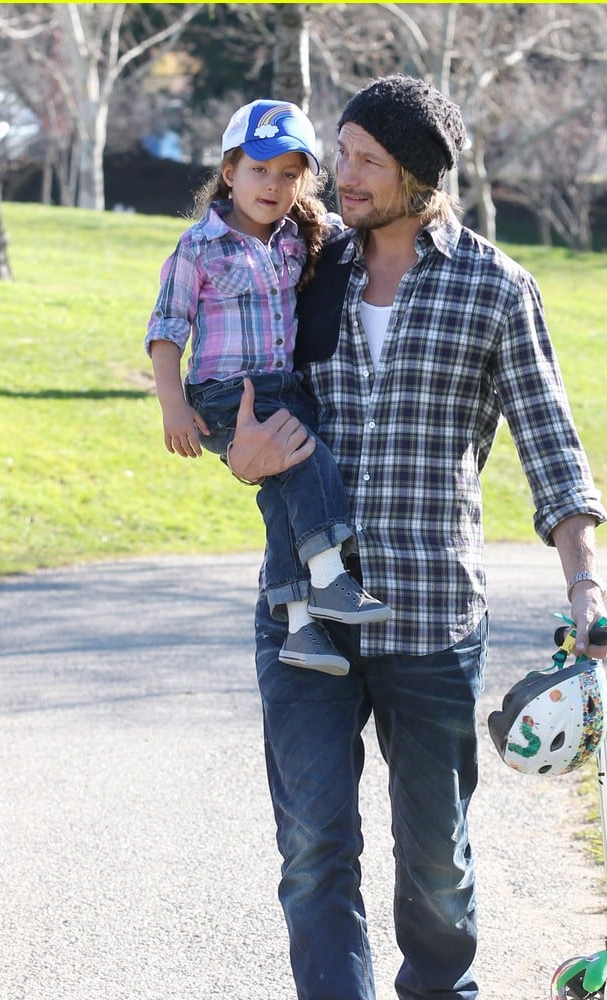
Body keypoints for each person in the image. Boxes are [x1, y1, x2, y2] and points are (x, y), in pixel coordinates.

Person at [227, 75, 607, 1000]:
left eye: (357, 158)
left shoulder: (494, 286)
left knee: (434, 851)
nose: (334, 174)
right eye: (335, 154)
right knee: (314, 849)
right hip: (302, 608)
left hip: (431, 614)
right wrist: (237, 449)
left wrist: (584, 584)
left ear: (414, 172)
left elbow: (552, 440)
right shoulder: (303, 267)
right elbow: (233, 378)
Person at [145, 99, 390, 678]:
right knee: (308, 459)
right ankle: (330, 577)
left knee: (282, 494)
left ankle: (302, 627)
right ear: (229, 172)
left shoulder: (297, 238)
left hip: (284, 387)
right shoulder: (198, 248)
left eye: (289, 173)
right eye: (259, 169)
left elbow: (362, 228)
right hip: (225, 394)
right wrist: (172, 406)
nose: (272, 185)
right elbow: (165, 330)